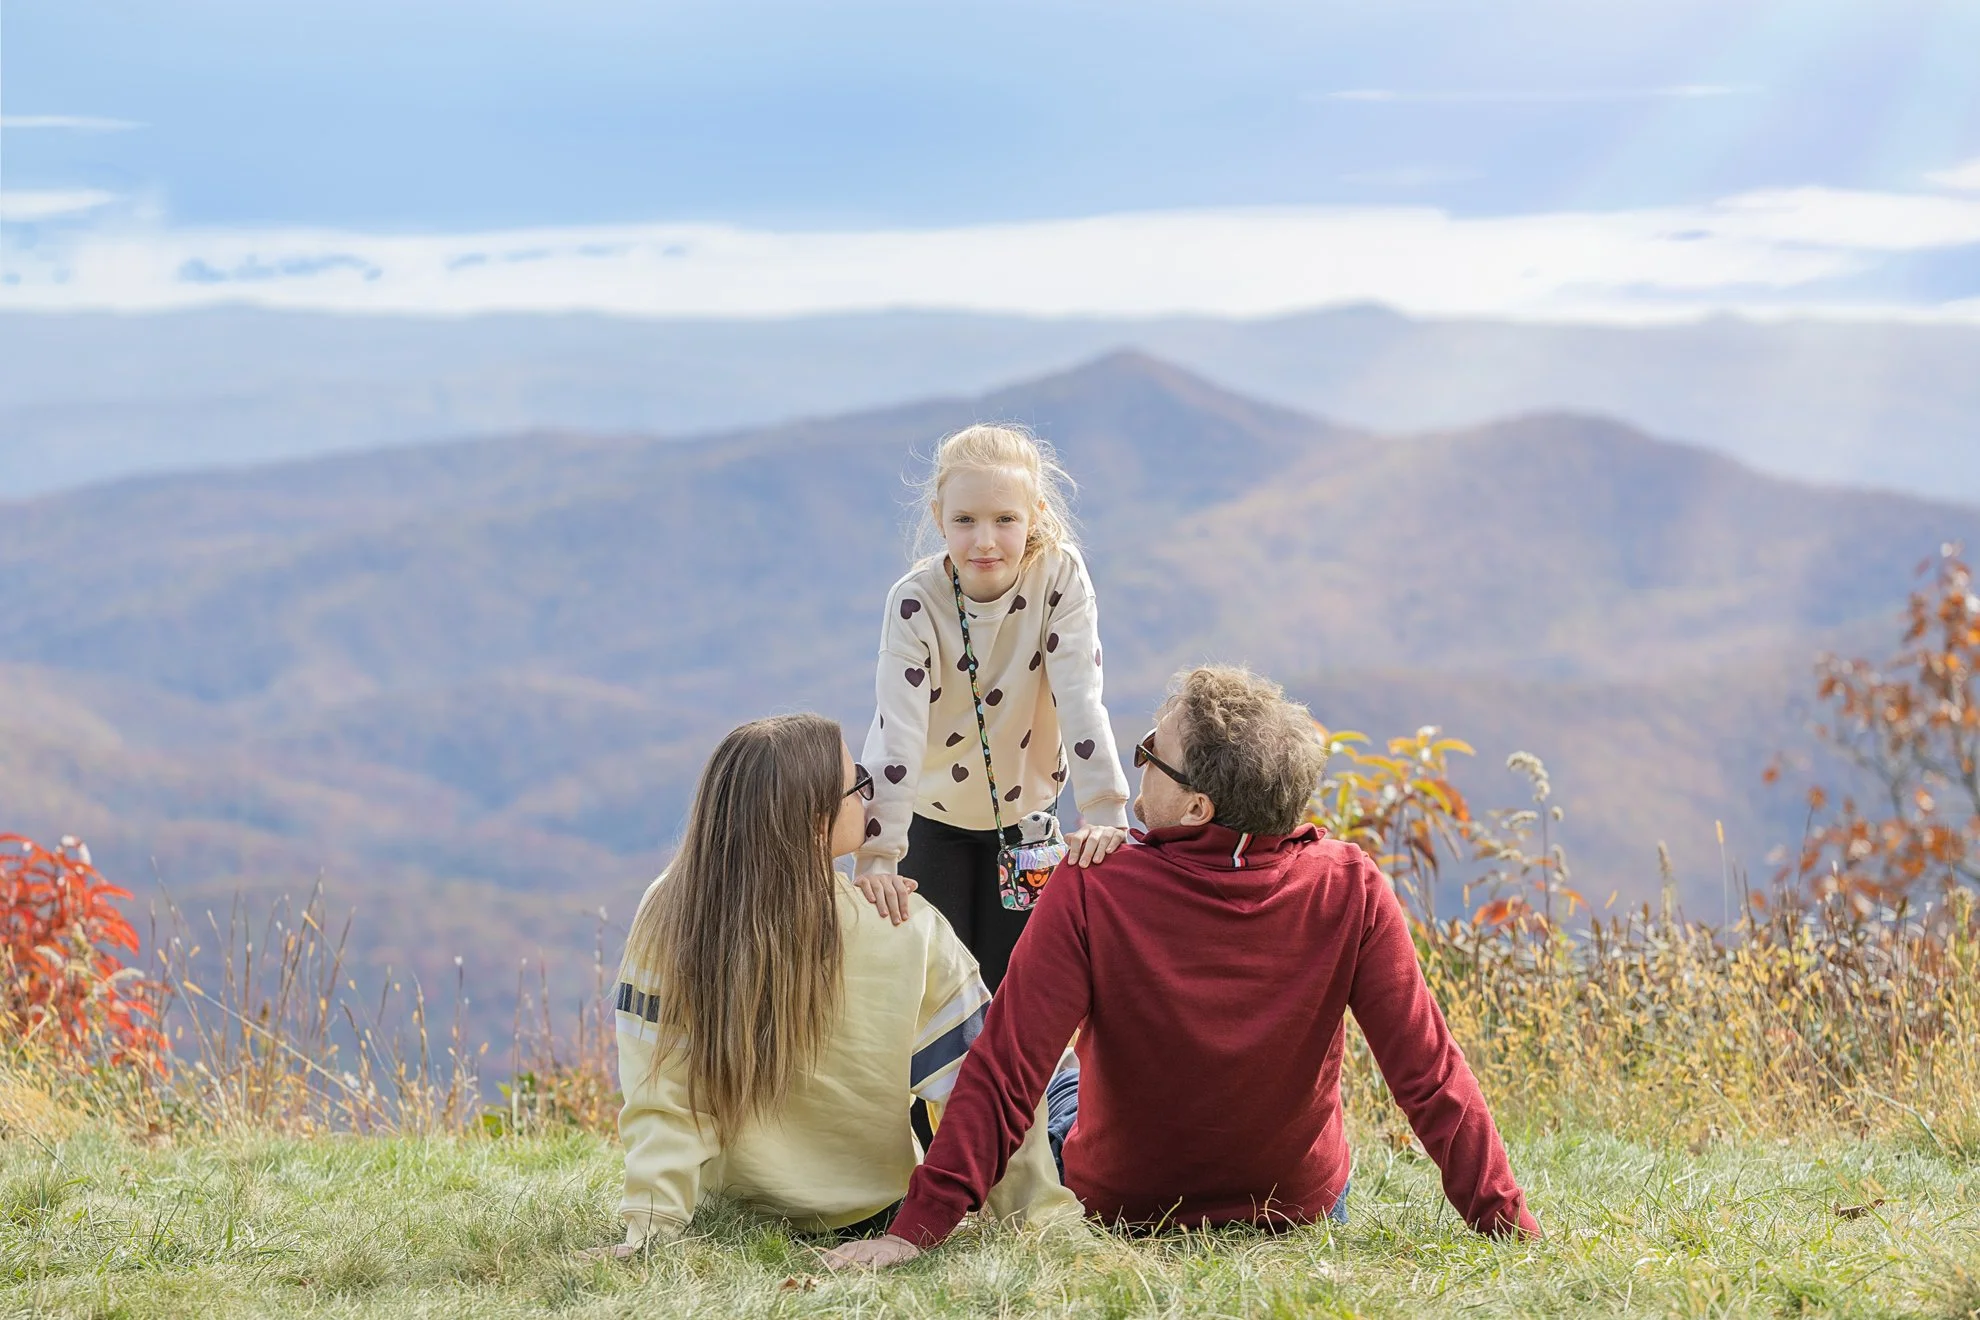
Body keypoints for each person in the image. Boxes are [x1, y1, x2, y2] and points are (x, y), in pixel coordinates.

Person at [823, 666, 1542, 1270]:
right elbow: (1429, 1075)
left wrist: (914, 1230)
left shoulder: (1094, 886)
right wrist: (1508, 1225)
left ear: (1197, 806)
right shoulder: (1349, 886)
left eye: (1150, 754)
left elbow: (1007, 1071)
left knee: (1056, 1075)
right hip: (1298, 1204)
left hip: (1122, 1206)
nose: (1135, 763)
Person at [588, 713, 1080, 1255]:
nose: (870, 798)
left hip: (726, 1210)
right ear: (816, 822)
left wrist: (651, 1229)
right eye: (858, 785)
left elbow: (662, 1098)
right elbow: (981, 1087)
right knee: (1067, 1084)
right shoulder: (905, 928)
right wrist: (1036, 1215)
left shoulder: (672, 911)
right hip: (873, 1215)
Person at [853, 423, 1132, 991]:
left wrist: (1104, 808)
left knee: (1018, 990)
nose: (985, 541)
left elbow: (1080, 696)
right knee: (941, 994)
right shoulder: (914, 602)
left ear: (1035, 513)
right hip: (932, 818)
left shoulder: (1059, 577)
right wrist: (878, 854)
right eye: (965, 520)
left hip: (1030, 821)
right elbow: (897, 732)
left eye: (1005, 519)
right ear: (938, 518)